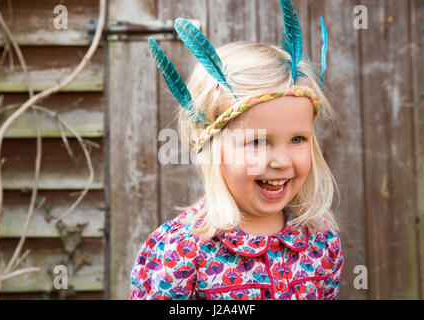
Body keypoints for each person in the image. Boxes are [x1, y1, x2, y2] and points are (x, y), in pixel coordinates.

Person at [130, 0, 344, 300]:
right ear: (214, 148)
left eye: (298, 139)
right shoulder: (182, 252)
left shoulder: (320, 242)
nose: (282, 161)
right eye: (258, 142)